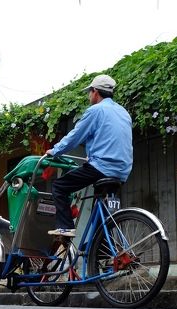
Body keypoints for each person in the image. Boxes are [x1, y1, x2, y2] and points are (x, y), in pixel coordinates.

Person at [45, 74, 133, 238]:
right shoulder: (123, 112)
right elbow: (112, 140)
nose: (89, 96)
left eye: (89, 92)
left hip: (102, 167)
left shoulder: (96, 110)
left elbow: (75, 136)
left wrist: (54, 151)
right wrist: (92, 157)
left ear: (95, 92)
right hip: (122, 170)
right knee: (101, 218)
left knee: (59, 186)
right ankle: (100, 256)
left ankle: (65, 227)